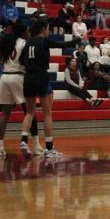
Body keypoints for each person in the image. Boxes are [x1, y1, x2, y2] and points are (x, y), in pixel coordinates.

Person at [18, 18, 81, 158]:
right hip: (41, 76)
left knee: (29, 113)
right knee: (47, 114)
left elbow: (21, 60)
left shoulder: (27, 43)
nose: (49, 31)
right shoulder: (43, 41)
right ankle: (49, 148)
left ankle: (23, 140)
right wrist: (77, 40)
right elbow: (62, 44)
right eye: (48, 28)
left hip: (28, 78)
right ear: (44, 29)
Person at [0, 23, 44, 157]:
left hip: (5, 77)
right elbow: (26, 62)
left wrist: (5, 65)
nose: (29, 33)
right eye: (27, 31)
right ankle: (36, 145)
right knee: (30, 112)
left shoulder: (8, 41)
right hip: (18, 77)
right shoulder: (24, 43)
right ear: (22, 32)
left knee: (4, 115)